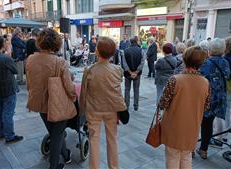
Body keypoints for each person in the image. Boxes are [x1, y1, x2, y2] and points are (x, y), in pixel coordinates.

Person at [26, 28, 75, 169]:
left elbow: (29, 83)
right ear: (57, 43)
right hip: (57, 103)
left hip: (40, 103)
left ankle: (66, 155)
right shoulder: (60, 62)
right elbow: (69, 86)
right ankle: (54, 166)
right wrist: (73, 98)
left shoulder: (30, 59)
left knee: (56, 133)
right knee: (56, 135)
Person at [158, 46, 211, 169]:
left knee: (172, 156)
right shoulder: (205, 82)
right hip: (192, 127)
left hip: (173, 127)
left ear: (185, 59)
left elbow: (163, 103)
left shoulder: (175, 80)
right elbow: (206, 106)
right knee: (186, 157)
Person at [80, 36, 126, 169]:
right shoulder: (117, 70)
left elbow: (84, 93)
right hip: (112, 109)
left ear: (97, 52)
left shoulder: (89, 70)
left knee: (94, 140)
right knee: (112, 140)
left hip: (94, 110)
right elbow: (116, 91)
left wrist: (82, 110)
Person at [0, 35, 24, 144]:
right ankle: (9, 136)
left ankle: (1, 133)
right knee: (8, 113)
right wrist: (8, 53)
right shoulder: (5, 57)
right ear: (2, 44)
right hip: (8, 88)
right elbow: (15, 70)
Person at [198, 38, 231, 159]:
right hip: (219, 98)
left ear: (211, 49)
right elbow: (227, 76)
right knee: (208, 124)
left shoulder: (206, 63)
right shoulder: (225, 62)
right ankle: (203, 150)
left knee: (198, 124)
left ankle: (191, 148)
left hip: (206, 98)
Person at [210, 37, 231, 147]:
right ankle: (225, 135)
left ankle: (219, 138)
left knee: (220, 114)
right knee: (227, 111)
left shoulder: (225, 59)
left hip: (225, 89)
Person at [122, 37, 145, 111]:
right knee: (136, 89)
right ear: (136, 41)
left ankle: (126, 105)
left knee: (127, 89)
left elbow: (124, 63)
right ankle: (136, 105)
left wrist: (130, 72)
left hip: (127, 74)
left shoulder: (125, 51)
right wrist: (136, 72)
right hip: (137, 74)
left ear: (130, 42)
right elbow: (142, 62)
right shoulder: (141, 50)